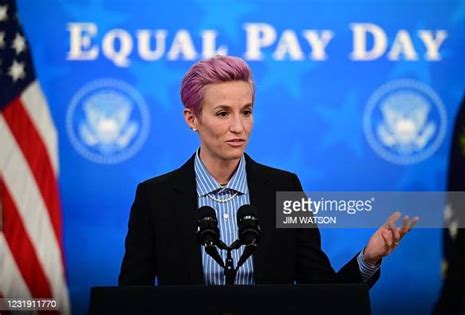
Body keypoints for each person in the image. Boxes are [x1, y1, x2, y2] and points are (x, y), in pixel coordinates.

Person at [118, 55, 418, 286]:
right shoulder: (155, 197)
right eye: (223, 113)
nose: (239, 127)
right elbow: (132, 299)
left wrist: (367, 259)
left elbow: (323, 292)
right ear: (191, 119)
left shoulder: (284, 189)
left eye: (246, 112)